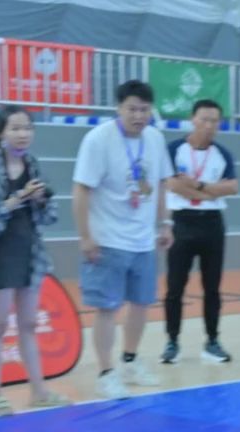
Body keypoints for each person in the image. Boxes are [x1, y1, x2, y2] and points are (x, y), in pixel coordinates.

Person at [72, 79, 174, 399]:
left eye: (144, 110)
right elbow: (81, 189)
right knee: (107, 308)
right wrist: (86, 236)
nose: (138, 116)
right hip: (107, 240)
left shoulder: (155, 139)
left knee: (141, 304)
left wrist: (166, 223)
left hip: (143, 240)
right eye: (132, 109)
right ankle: (106, 372)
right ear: (118, 108)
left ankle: (130, 360)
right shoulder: (98, 140)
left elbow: (161, 183)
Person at [0, 105, 69, 414]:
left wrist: (41, 199)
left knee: (29, 324)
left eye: (28, 128)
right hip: (0, 254)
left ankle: (39, 392)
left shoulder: (33, 165)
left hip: (29, 252)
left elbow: (48, 216)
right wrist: (17, 199)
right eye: (16, 128)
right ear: (1, 134)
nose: (23, 134)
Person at [162, 98, 238, 366]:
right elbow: (172, 185)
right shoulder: (174, 149)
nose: (208, 125)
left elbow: (233, 187)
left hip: (212, 223)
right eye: (204, 119)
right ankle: (172, 341)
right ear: (193, 119)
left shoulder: (223, 154)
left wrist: (196, 185)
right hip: (182, 221)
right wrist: (210, 191)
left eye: (214, 121)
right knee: (175, 286)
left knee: (212, 287)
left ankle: (212, 341)